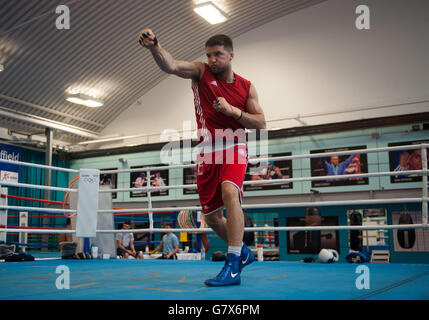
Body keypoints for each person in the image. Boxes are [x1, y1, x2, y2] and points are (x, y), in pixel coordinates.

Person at [139, 29, 266, 286]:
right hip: (207, 151)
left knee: (230, 192)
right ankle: (242, 252)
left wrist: (233, 112)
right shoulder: (200, 72)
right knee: (210, 217)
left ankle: (232, 265)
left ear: (231, 55)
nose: (212, 60)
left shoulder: (246, 87)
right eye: (209, 55)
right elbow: (172, 65)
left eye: (218, 54)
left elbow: (261, 123)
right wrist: (155, 47)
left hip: (233, 145)